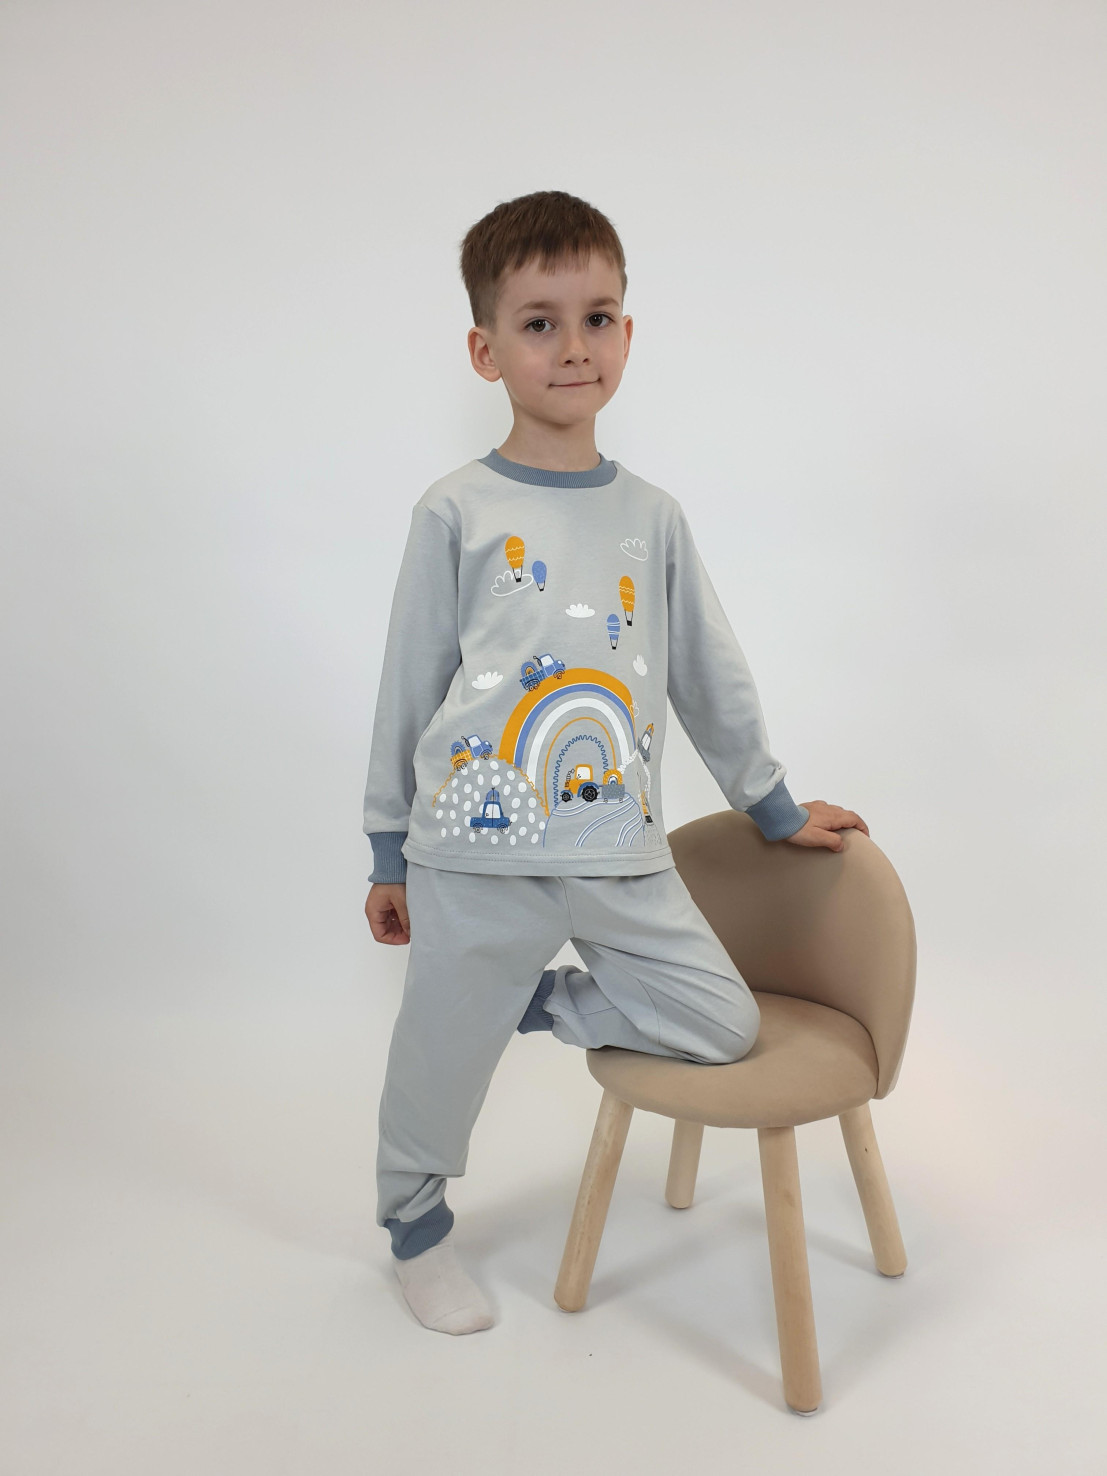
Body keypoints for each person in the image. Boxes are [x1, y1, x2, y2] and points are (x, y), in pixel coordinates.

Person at [362, 190, 868, 1335]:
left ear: (628, 335)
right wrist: (388, 849)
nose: (574, 347)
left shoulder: (653, 518)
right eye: (539, 324)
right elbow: (407, 683)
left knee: (720, 1020)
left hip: (617, 848)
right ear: (486, 350)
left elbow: (708, 673)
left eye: (597, 318)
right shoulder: (455, 512)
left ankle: (536, 1003)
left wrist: (773, 806)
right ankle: (416, 1229)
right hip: (472, 854)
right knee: (436, 1062)